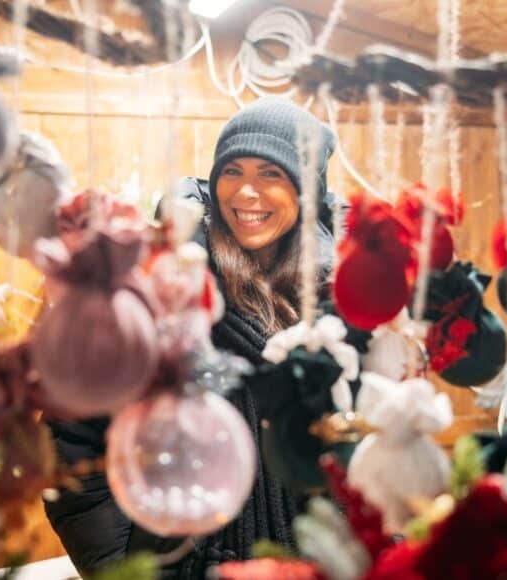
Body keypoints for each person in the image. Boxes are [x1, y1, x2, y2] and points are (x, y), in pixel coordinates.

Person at [44, 97, 340, 577]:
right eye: (232, 172)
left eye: (271, 174)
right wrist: (125, 567)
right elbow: (73, 435)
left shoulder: (343, 306)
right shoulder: (159, 289)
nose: (246, 193)